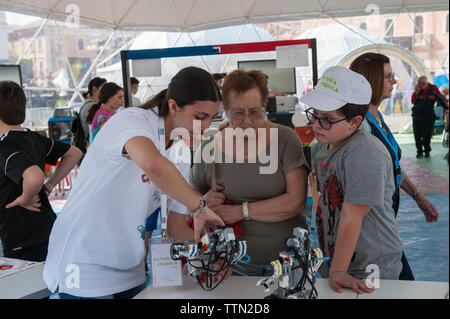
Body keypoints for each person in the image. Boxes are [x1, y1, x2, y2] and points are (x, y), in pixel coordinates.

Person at [43, 66, 225, 299]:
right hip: (84, 261)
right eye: (200, 117)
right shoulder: (133, 121)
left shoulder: (180, 151)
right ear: (173, 106)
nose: (206, 126)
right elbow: (152, 163)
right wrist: (199, 207)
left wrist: (212, 255)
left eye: (212, 118)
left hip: (131, 267)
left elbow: (175, 228)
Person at [191, 69, 310, 276]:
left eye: (255, 112)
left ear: (265, 105)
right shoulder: (210, 147)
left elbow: (296, 201)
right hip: (231, 265)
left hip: (288, 260)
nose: (247, 120)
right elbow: (188, 200)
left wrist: (240, 211)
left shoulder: (285, 139)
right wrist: (202, 203)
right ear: (225, 109)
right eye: (238, 113)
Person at [300, 66, 403, 294]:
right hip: (340, 263)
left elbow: (352, 215)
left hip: (370, 267)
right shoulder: (326, 146)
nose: (316, 124)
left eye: (326, 118)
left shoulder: (365, 152)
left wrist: (337, 270)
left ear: (355, 122)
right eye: (314, 113)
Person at [350, 53, 439, 281]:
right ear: (370, 82)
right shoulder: (361, 128)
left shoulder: (376, 116)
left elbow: (394, 167)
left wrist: (419, 197)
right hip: (372, 234)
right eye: (389, 77)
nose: (394, 82)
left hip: (383, 226)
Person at [0, 81, 82, 262]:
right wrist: (51, 183)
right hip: (46, 228)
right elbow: (74, 153)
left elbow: (34, 176)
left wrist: (26, 198)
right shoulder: (34, 138)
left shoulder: (5, 146)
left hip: (22, 235)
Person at [410, 75, 447, 158]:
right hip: (417, 115)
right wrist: (416, 93)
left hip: (429, 115)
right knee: (417, 134)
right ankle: (419, 151)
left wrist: (446, 108)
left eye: (419, 83)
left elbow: (440, 98)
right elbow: (413, 101)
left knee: (427, 134)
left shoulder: (433, 88)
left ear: (424, 84)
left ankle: (427, 151)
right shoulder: (417, 89)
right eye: (418, 83)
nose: (418, 85)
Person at [80, 77, 107, 150]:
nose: (106, 91)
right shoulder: (92, 106)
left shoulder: (86, 103)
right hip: (92, 146)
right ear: (95, 89)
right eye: (104, 88)